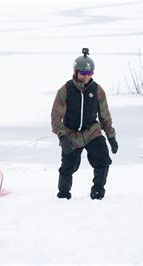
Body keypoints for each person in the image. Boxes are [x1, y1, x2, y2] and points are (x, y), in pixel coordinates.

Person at [51, 48, 118, 200]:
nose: (86, 76)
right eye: (83, 73)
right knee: (68, 167)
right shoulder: (65, 90)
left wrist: (111, 137)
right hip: (71, 134)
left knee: (103, 160)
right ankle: (63, 196)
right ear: (76, 72)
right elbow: (56, 117)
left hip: (92, 132)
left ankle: (97, 193)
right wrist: (62, 136)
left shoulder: (97, 90)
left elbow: (105, 116)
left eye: (90, 73)